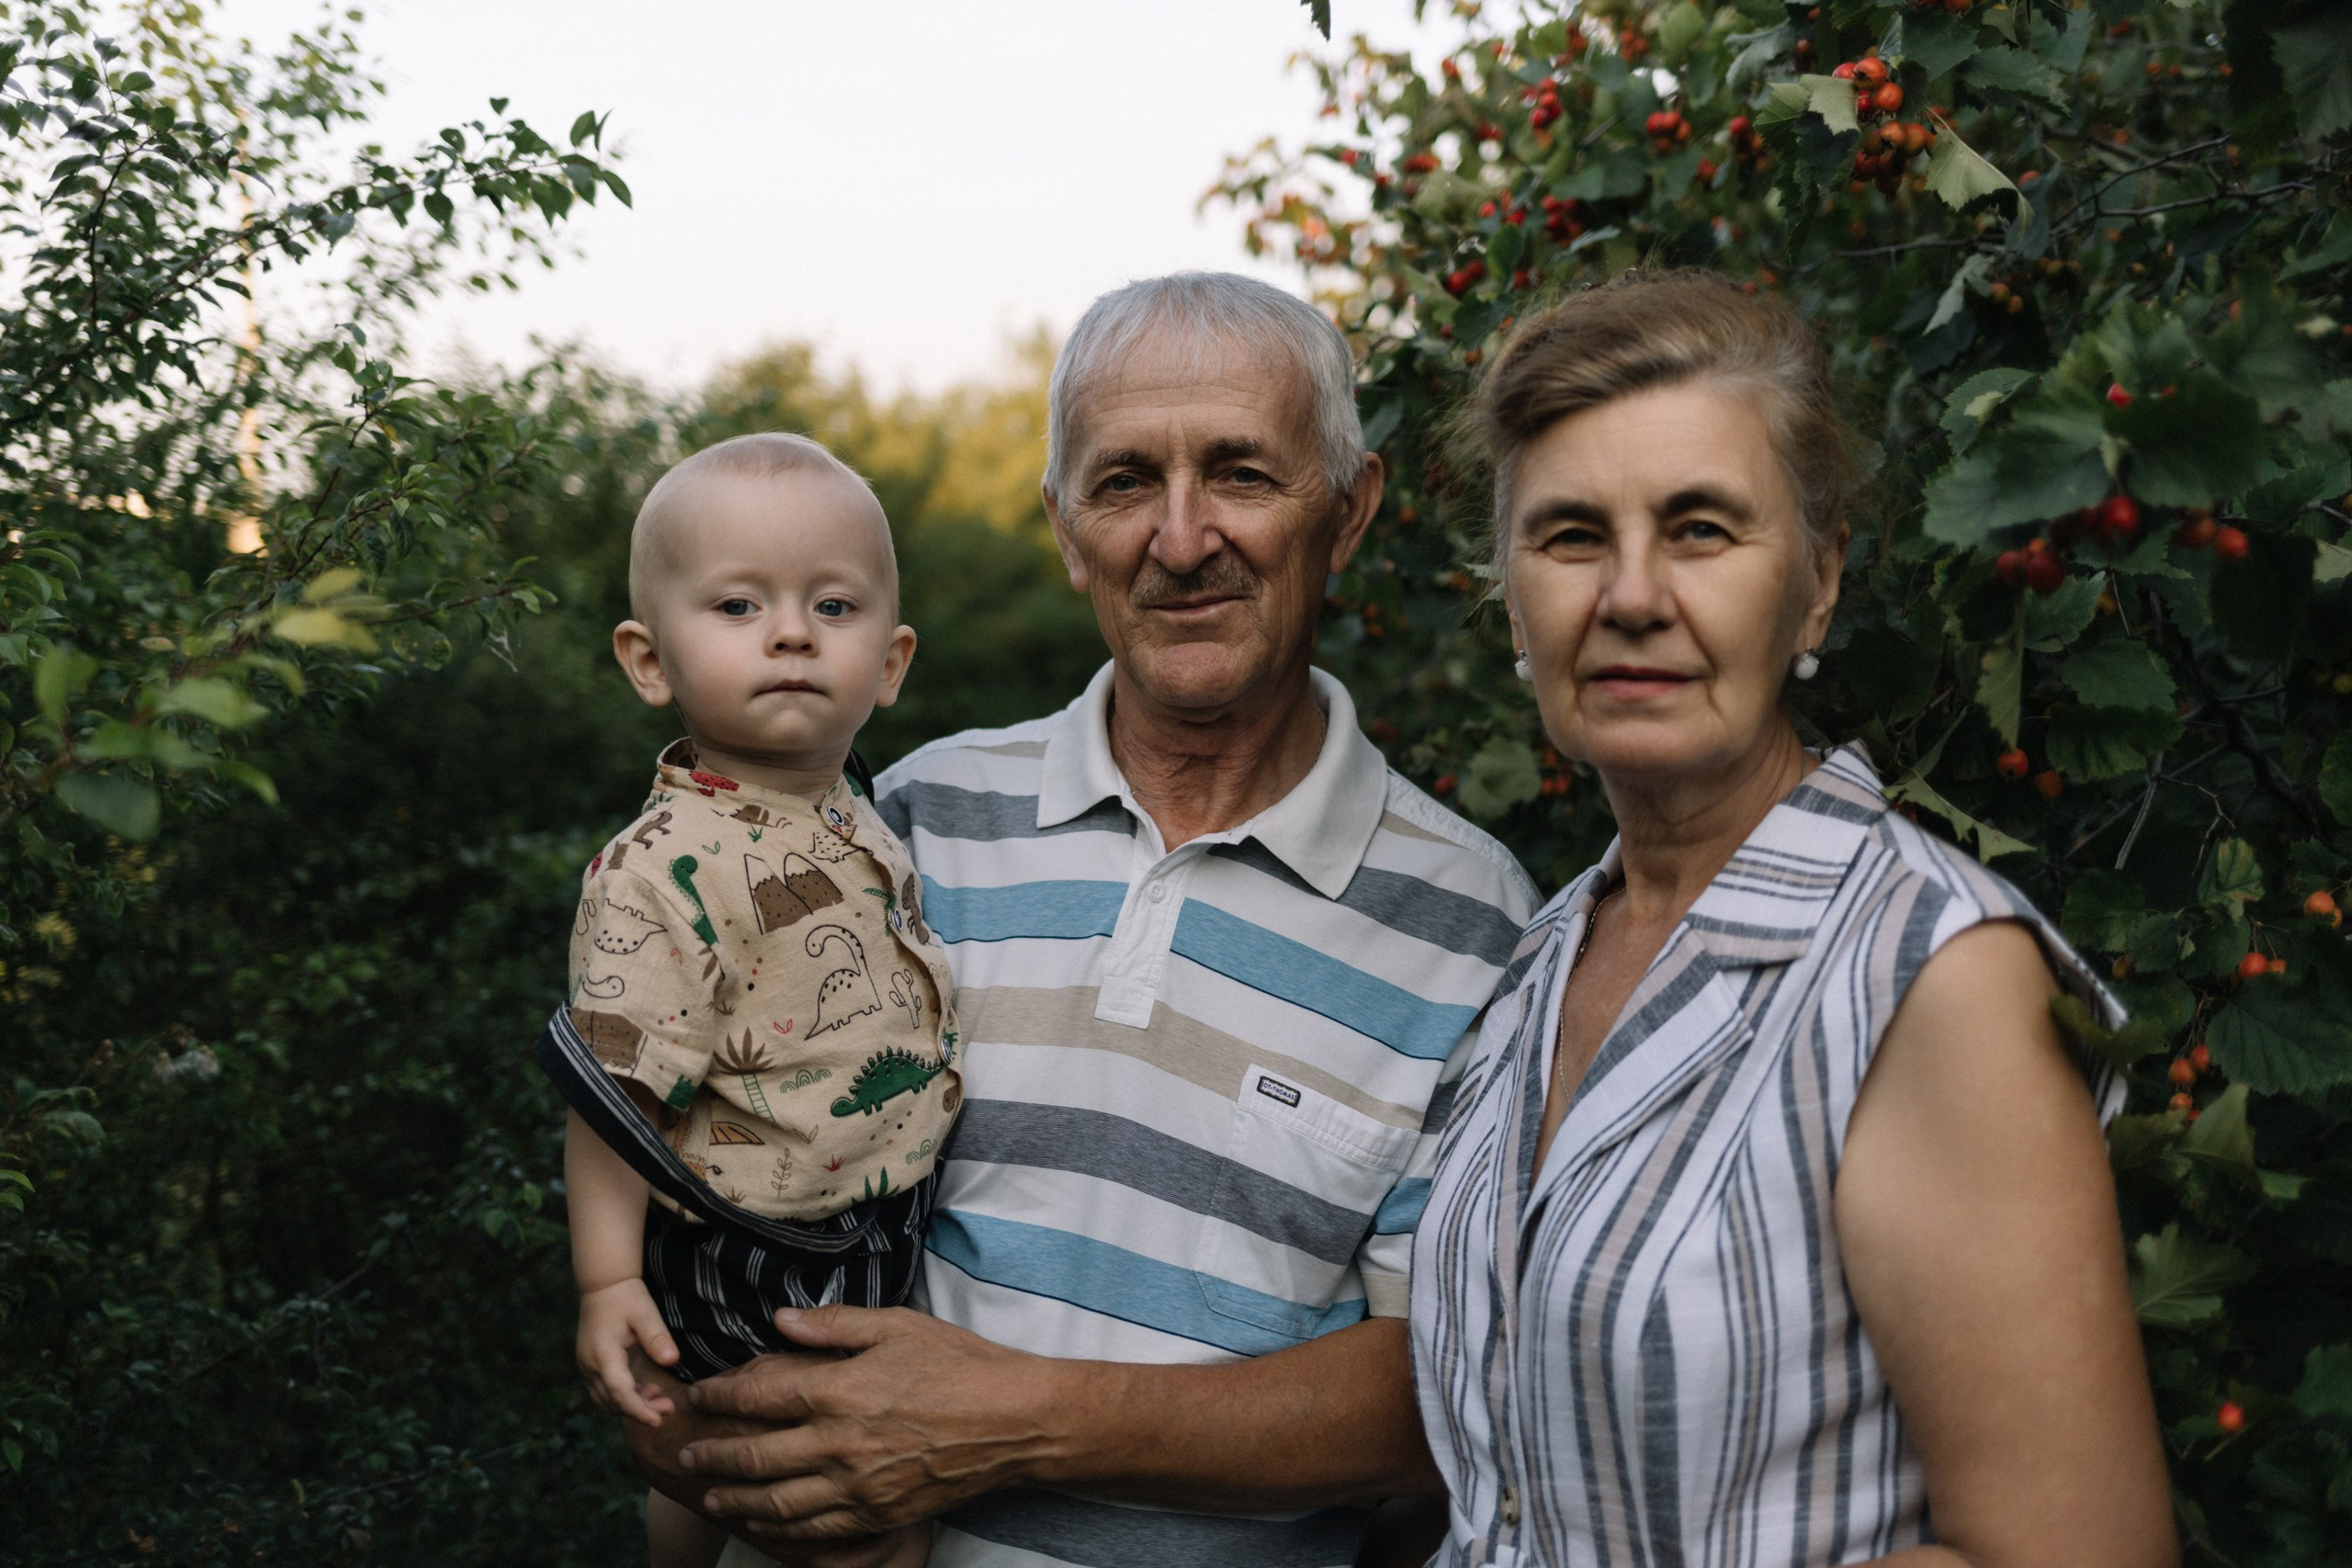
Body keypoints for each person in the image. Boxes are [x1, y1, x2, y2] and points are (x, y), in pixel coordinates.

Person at [620, 272, 1540, 1568]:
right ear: (1064, 528)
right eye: (1122, 484)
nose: (1180, 537)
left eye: (1240, 473)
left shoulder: (1480, 925)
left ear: (1350, 510)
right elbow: (697, 1204)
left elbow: (1431, 1406)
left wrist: (1015, 1421)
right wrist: (735, 1450)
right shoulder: (903, 824)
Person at [1409, 270, 2177, 1566]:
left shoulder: (1930, 975)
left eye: (1701, 528)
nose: (1633, 594)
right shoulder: (1539, 960)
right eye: (1572, 535)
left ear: (1816, 585)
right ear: (1510, 587)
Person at [539, 433, 960, 1568]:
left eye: (833, 605)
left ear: (890, 662)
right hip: (752, 1244)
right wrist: (608, 1277)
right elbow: (613, 1095)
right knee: (862, 1519)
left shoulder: (847, 805)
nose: (790, 632)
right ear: (648, 658)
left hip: (866, 1223)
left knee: (732, 1478)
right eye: (736, 605)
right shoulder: (665, 869)